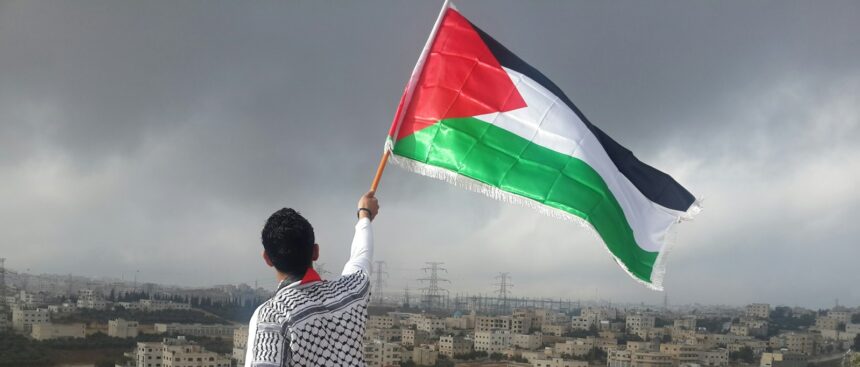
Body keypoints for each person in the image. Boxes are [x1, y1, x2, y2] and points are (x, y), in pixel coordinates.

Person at [245, 191, 379, 366]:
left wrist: (365, 216)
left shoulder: (273, 315)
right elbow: (362, 255)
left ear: (267, 258)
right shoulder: (350, 292)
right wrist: (364, 214)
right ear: (315, 252)